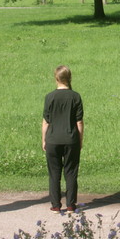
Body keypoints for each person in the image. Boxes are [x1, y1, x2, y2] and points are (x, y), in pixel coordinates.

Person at [42, 65, 84, 214]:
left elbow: (46, 121)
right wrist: (80, 140)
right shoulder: (75, 97)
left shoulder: (49, 97)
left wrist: (44, 140)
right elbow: (79, 122)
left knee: (54, 173)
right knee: (71, 172)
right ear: (69, 78)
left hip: (53, 138)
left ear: (56, 78)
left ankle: (55, 205)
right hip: (70, 138)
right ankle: (71, 205)